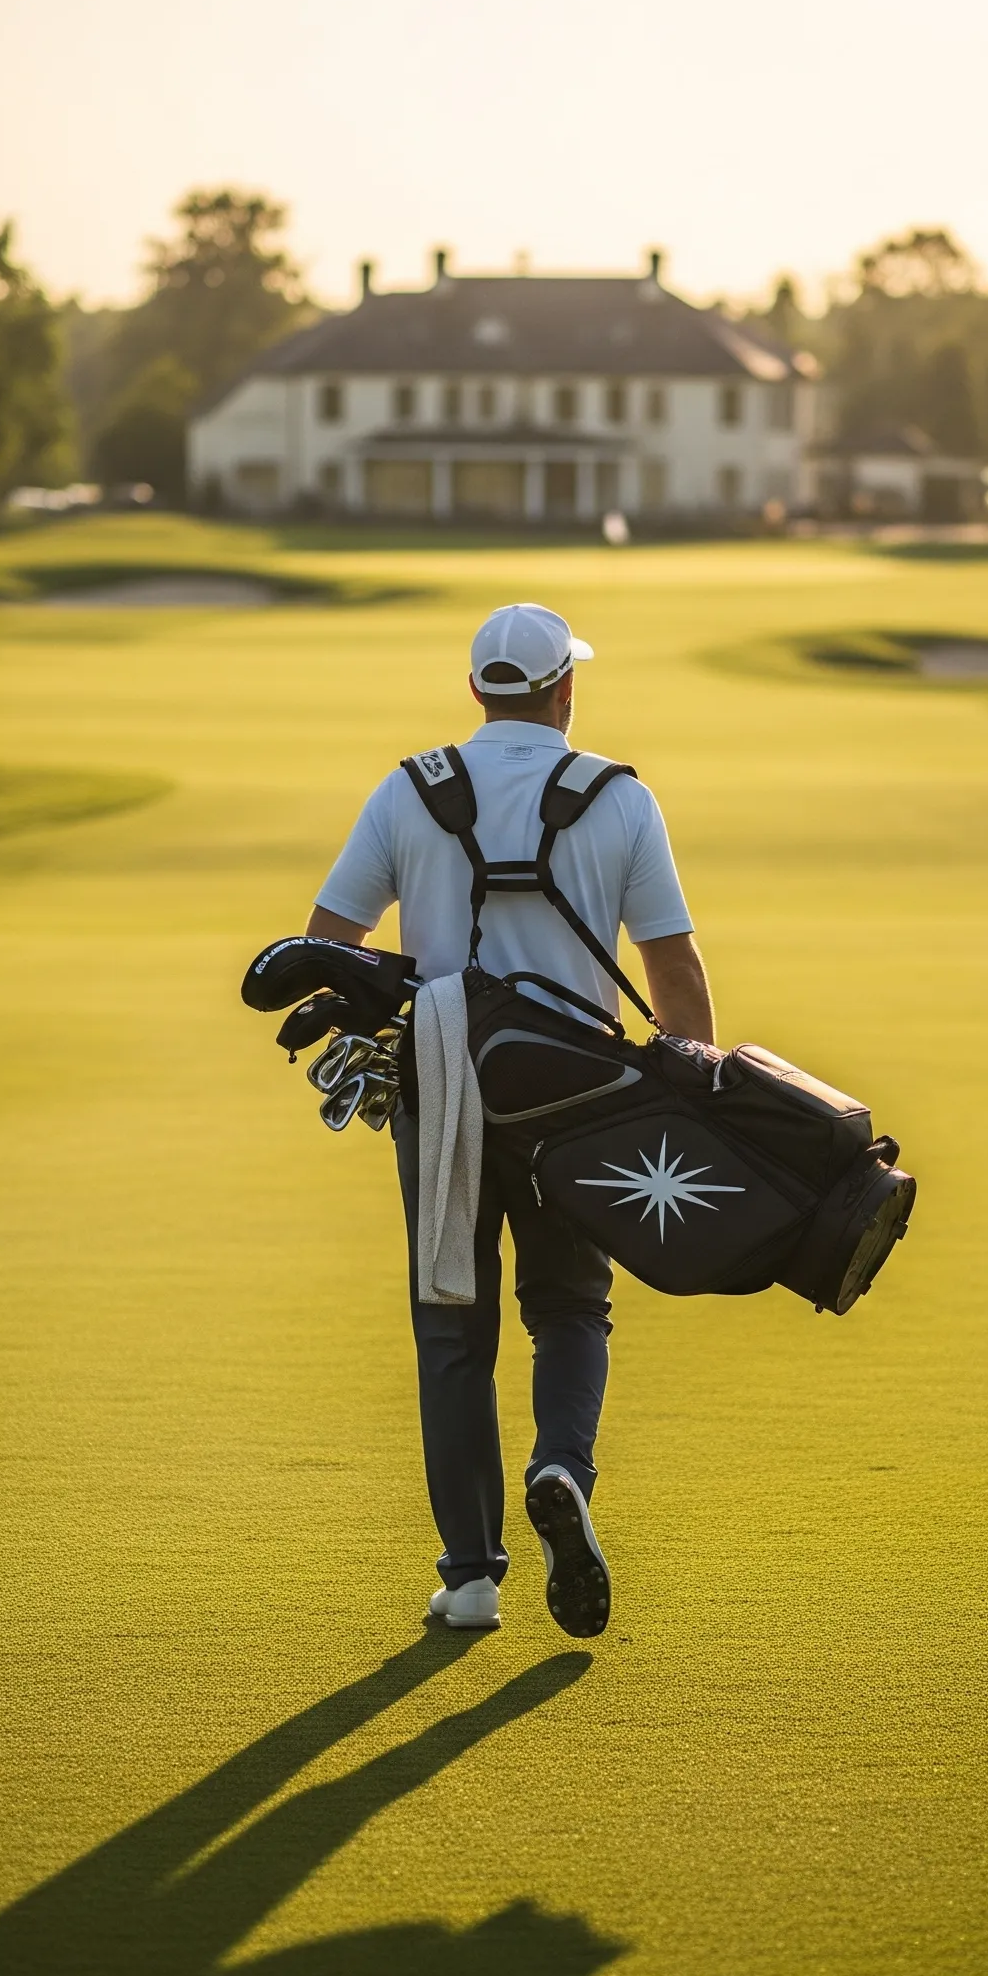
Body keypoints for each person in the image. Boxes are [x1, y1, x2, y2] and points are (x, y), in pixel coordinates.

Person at [306, 602, 714, 1636]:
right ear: (563, 690)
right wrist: (692, 1089)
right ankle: (559, 1466)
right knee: (571, 1305)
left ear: (477, 691)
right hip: (581, 1101)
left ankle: (472, 1576)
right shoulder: (618, 797)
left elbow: (327, 939)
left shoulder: (410, 789)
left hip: (443, 1086)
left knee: (452, 1325)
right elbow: (670, 964)